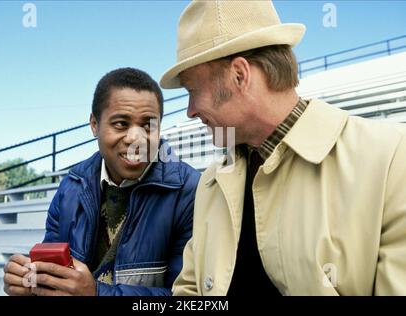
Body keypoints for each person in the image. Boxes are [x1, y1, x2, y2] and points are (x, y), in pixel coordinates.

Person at [159, 0, 406, 295]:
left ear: (240, 75)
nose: (189, 111)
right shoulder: (211, 182)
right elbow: (189, 290)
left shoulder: (392, 157)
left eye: (192, 90)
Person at [3, 67, 200, 296]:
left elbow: (191, 299)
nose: (136, 139)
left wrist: (97, 294)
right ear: (94, 125)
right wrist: (32, 282)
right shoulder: (71, 187)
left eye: (148, 125)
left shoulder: (190, 190)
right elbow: (53, 274)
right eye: (121, 124)